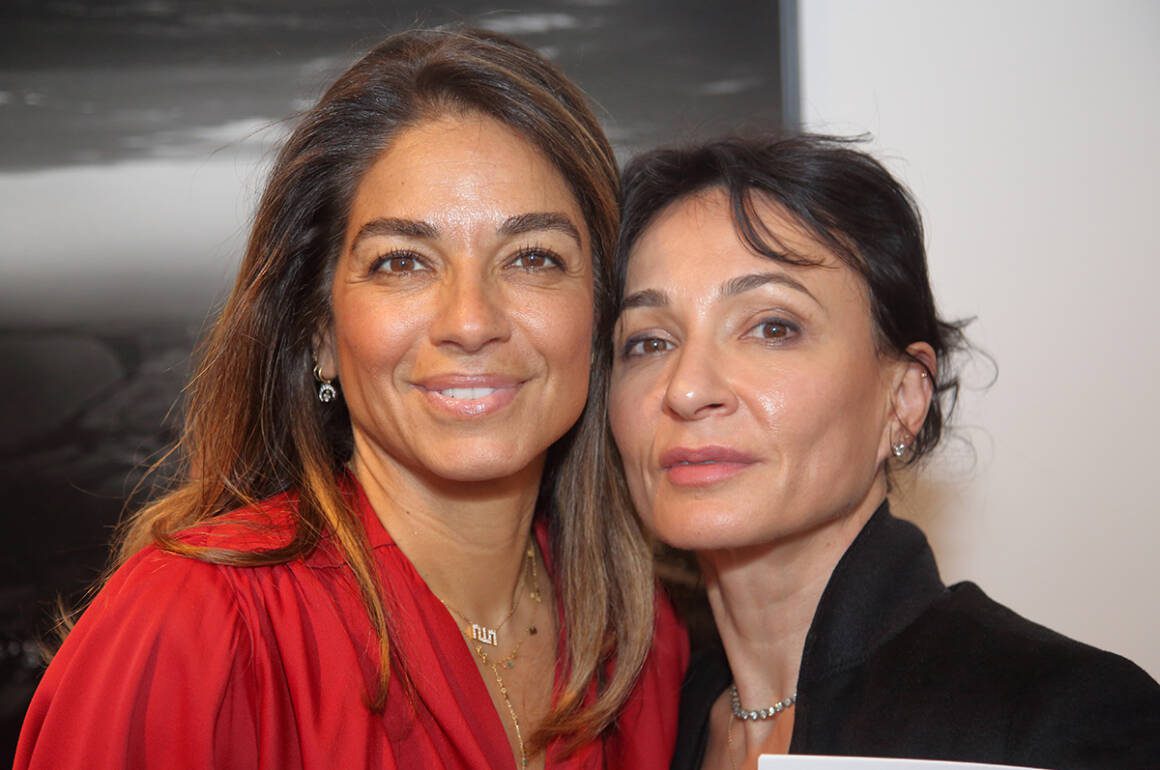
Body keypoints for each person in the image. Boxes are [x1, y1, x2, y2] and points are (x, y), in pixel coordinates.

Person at [15, 28, 687, 770]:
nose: (472, 322)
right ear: (320, 331)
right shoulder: (195, 632)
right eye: (403, 262)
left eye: (533, 258)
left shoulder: (640, 644)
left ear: (598, 316)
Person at [606, 134, 1160, 770]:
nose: (687, 388)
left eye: (772, 328)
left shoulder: (1066, 720)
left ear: (903, 398)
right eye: (648, 342)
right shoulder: (643, 727)